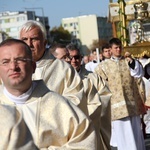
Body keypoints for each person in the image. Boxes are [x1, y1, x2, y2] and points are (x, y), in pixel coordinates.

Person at [0, 38, 97, 149]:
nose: (13, 67)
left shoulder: (59, 106)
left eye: (20, 60)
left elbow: (85, 141)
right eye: (5, 62)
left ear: (33, 67)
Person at [19, 20, 87, 115]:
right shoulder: (11, 69)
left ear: (44, 42)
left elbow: (76, 101)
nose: (29, 44)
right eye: (24, 39)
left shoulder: (64, 70)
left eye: (34, 39)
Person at [95, 37, 146, 150]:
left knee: (135, 133)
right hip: (116, 106)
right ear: (111, 49)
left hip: (131, 104)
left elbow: (138, 74)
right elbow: (99, 85)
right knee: (122, 136)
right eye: (116, 48)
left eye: (120, 47)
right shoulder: (104, 66)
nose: (118, 50)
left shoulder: (128, 61)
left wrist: (132, 62)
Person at [66, 43, 112, 150]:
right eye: (70, 57)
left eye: (77, 57)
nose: (74, 60)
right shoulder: (62, 79)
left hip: (92, 124)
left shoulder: (93, 77)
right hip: (69, 128)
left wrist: (88, 115)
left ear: (81, 58)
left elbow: (105, 97)